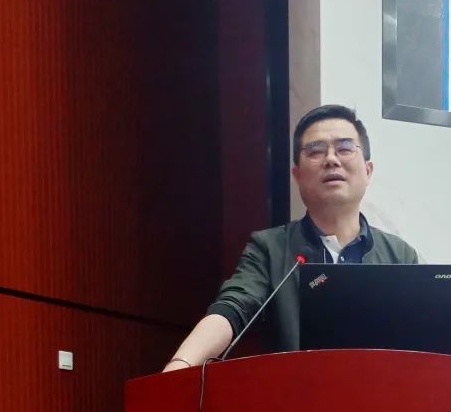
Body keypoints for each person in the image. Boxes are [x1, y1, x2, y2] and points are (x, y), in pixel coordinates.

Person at [162, 104, 420, 371]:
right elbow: (232, 309)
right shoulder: (270, 249)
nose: (331, 159)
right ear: (297, 176)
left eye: (344, 148)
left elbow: (422, 345)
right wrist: (181, 365)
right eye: (316, 151)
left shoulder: (401, 257)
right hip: (294, 395)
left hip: (379, 395)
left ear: (368, 170)